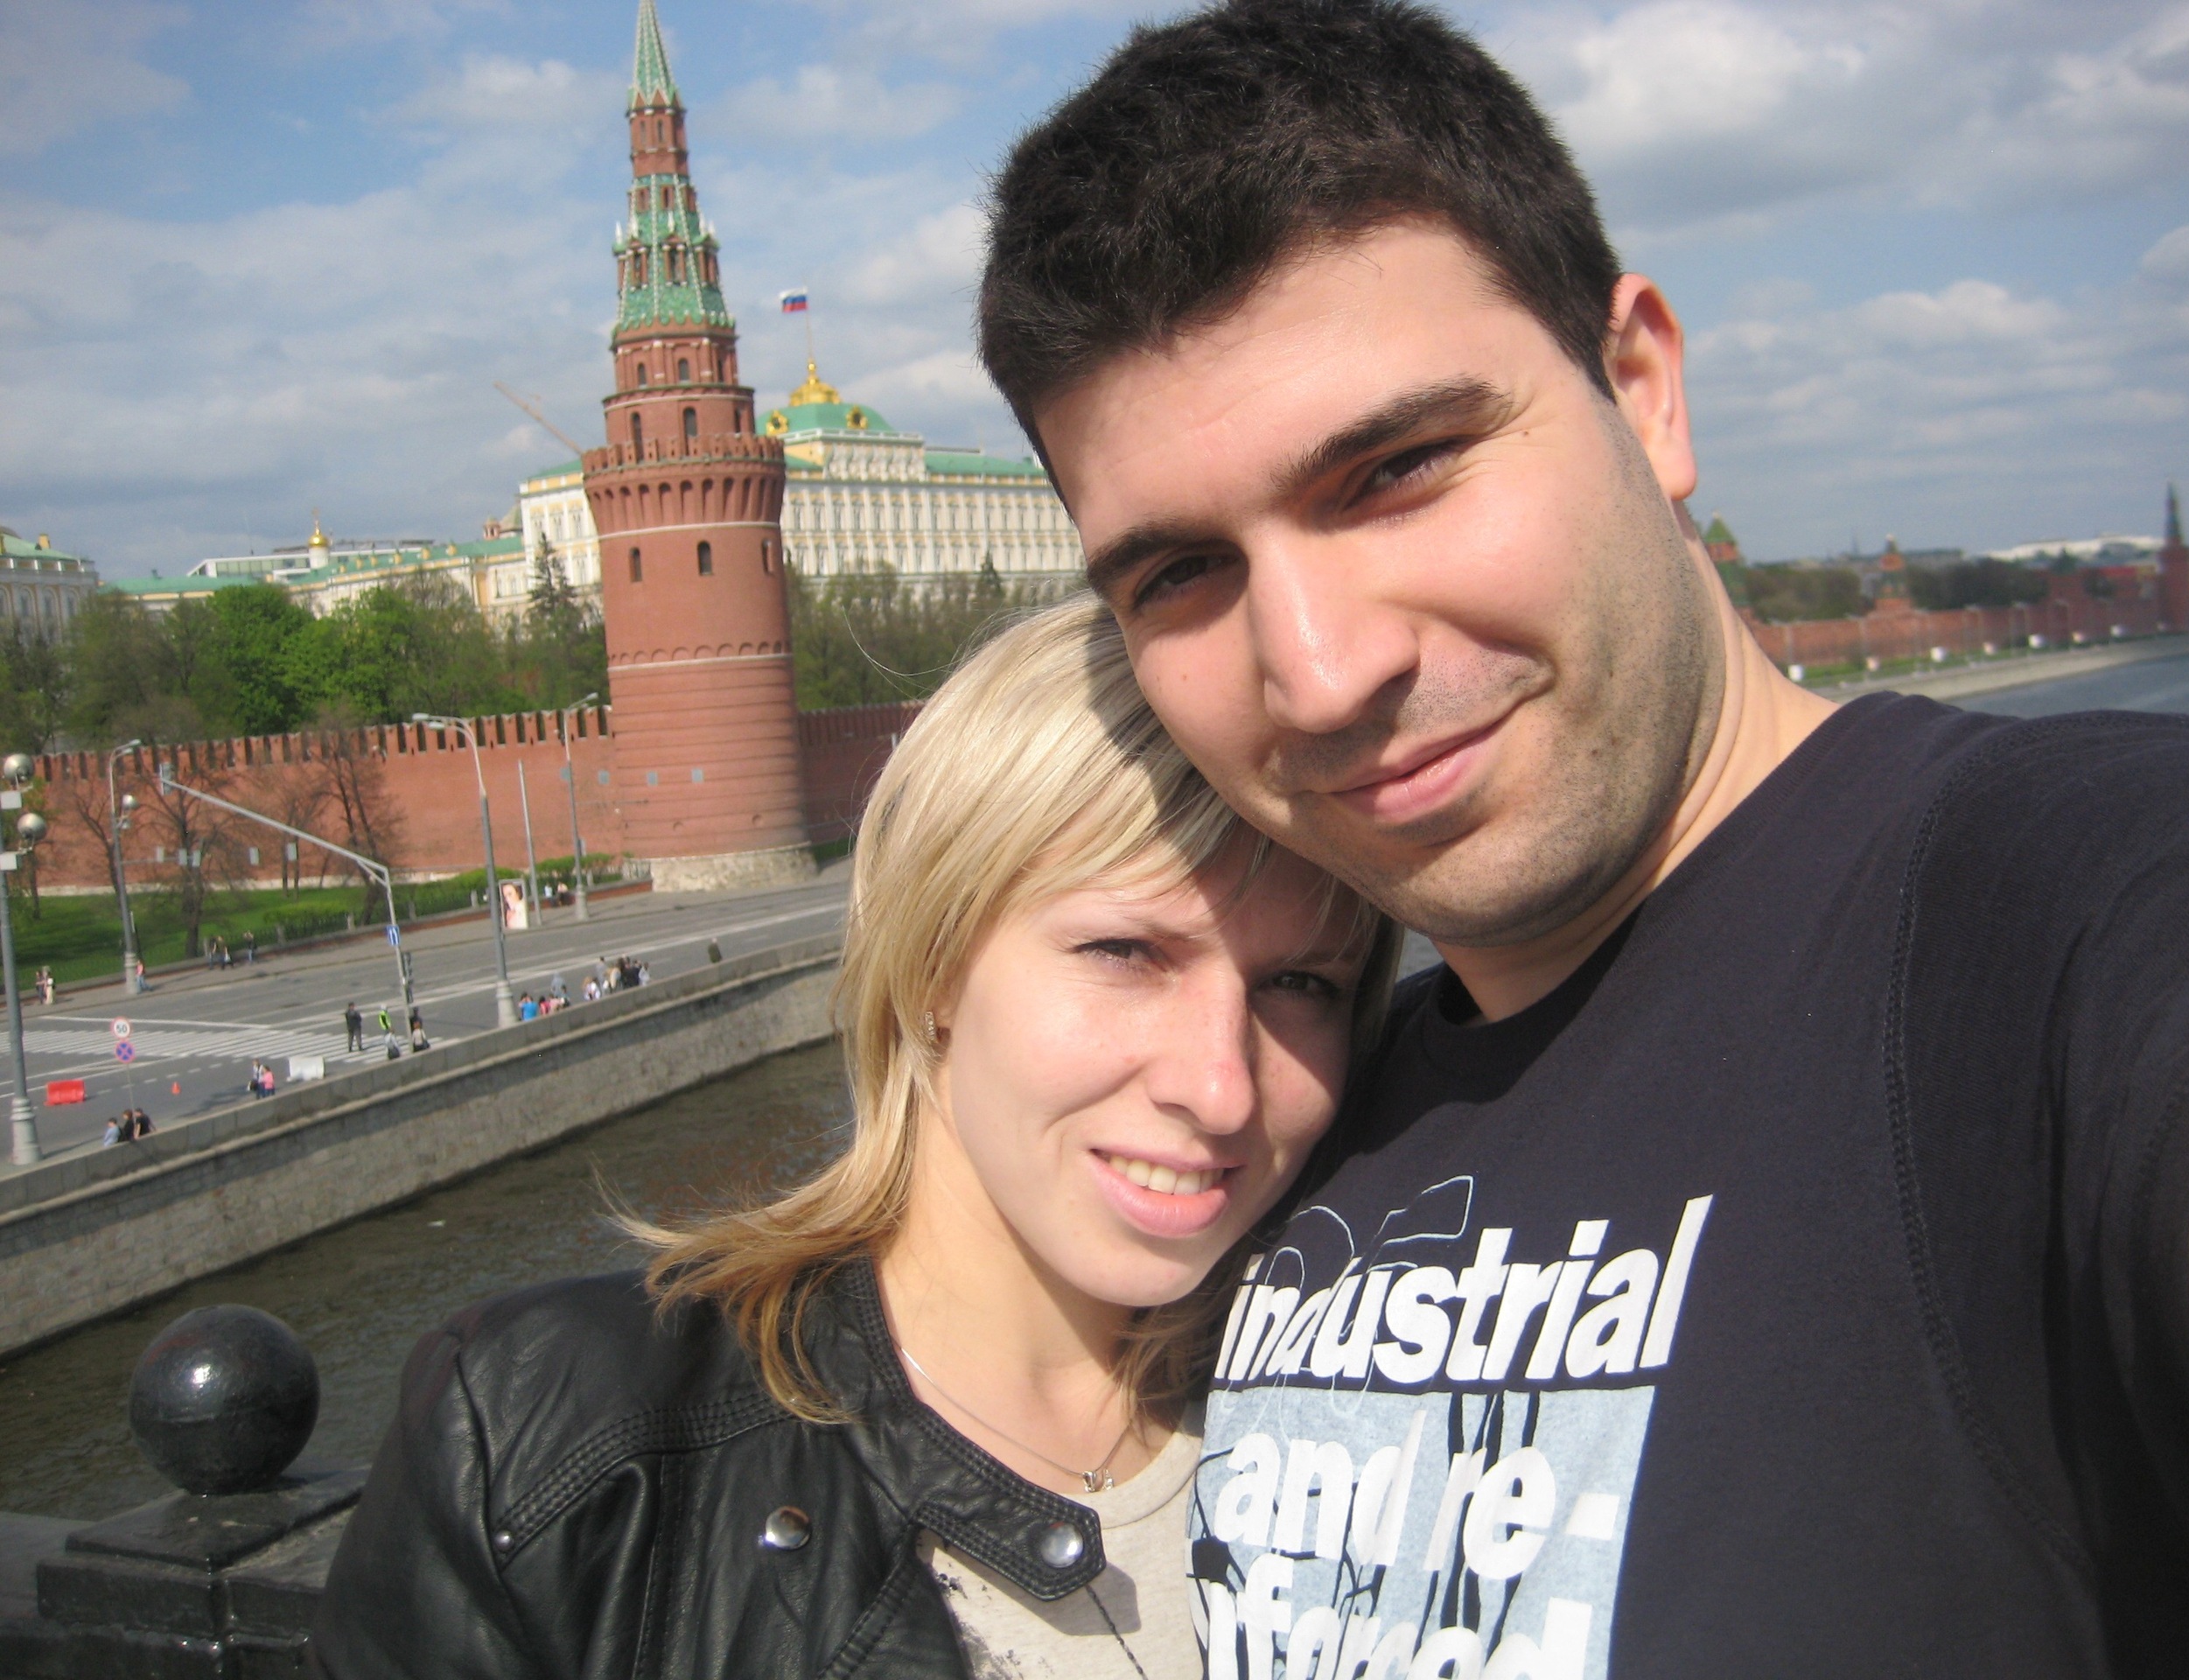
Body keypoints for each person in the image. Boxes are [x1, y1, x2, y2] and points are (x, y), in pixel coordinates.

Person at [978, 3, 2189, 1670]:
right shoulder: (1293, 1117)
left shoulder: (2067, 909)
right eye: (1181, 573)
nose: (1322, 672)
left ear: (1640, 389)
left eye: (1398, 469)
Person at [311, 600, 1398, 1678]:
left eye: (1302, 984)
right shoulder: (560, 1447)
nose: (1219, 1088)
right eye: (1124, 952)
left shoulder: (1399, 1403)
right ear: (931, 966)